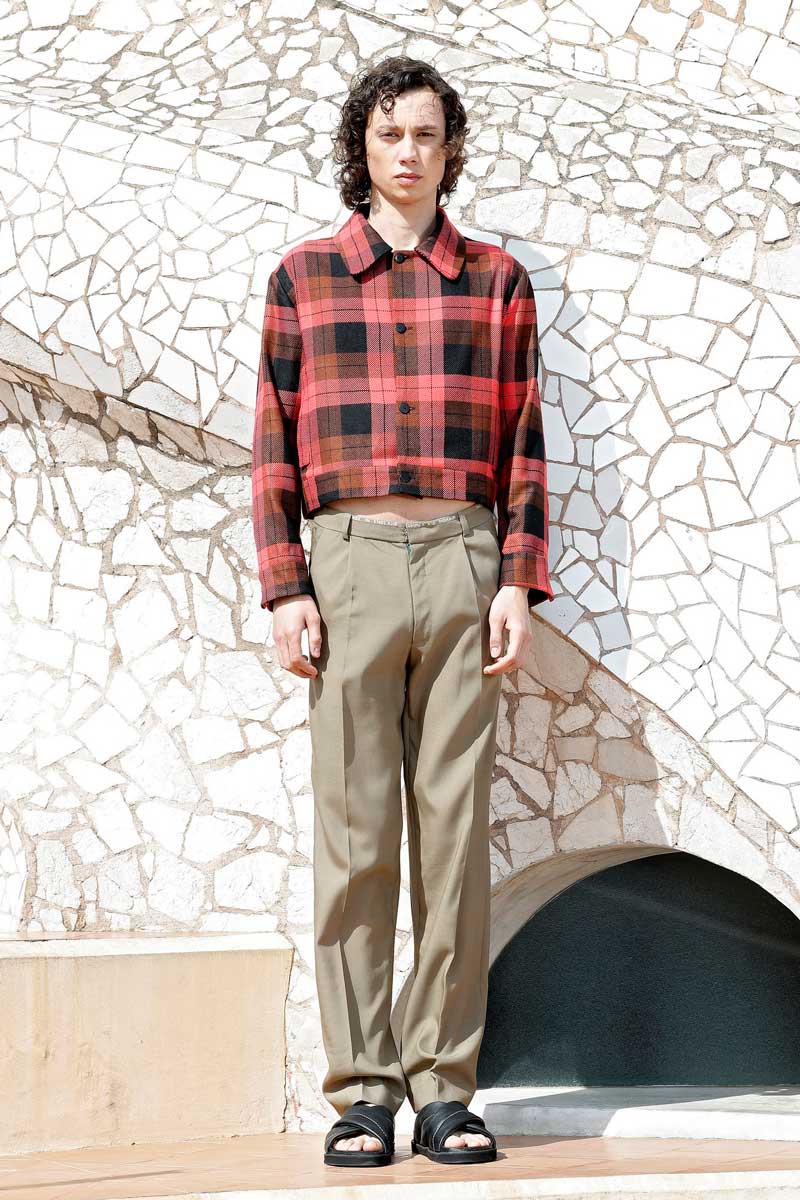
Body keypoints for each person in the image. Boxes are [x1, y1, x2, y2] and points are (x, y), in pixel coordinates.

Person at [251, 55, 553, 1168]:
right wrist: (287, 584)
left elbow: (524, 437)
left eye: (426, 134)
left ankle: (444, 1090)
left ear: (449, 149)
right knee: (355, 834)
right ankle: (363, 1093)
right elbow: (272, 440)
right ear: (362, 148)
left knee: (453, 838)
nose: (409, 152)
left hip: (464, 555)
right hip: (347, 561)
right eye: (390, 135)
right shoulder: (303, 277)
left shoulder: (497, 281)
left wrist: (516, 576)